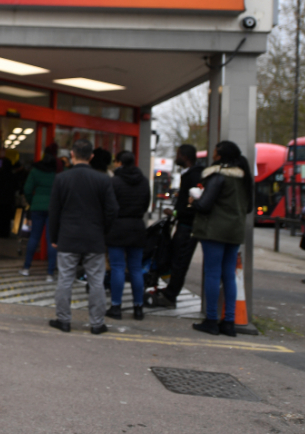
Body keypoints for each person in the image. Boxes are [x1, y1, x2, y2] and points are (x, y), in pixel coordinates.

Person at [47, 139, 119, 335]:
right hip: (94, 238)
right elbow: (112, 210)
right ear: (92, 156)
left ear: (72, 154)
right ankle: (97, 324)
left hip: (68, 237)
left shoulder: (62, 178)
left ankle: (63, 320)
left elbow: (54, 211)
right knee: (96, 282)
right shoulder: (103, 180)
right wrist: (103, 231)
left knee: (65, 280)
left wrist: (54, 236)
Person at [189, 140, 253, 337]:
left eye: (215, 151)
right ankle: (229, 322)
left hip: (214, 232)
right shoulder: (244, 178)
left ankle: (211, 320)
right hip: (234, 232)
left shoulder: (217, 176)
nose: (213, 154)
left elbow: (205, 205)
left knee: (212, 274)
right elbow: (248, 207)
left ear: (220, 155)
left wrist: (194, 201)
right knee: (229, 276)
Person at [150, 144, 204, 308]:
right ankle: (169, 290)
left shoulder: (194, 176)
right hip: (183, 224)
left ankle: (171, 295)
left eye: (178, 154)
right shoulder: (189, 174)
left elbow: (191, 206)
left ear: (185, 156)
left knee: (180, 261)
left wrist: (175, 214)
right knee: (174, 258)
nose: (176, 157)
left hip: (188, 226)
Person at [105, 151, 150, 321]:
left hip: (117, 227)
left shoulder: (114, 182)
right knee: (136, 268)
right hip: (137, 227)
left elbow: (109, 206)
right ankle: (138, 308)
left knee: (117, 267)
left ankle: (116, 307)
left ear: (119, 163)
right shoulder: (144, 181)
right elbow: (146, 204)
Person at [20, 148, 58, 281]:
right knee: (51, 240)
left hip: (37, 208)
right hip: (53, 208)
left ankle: (26, 268)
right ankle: (50, 273)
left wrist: (32, 202)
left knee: (34, 237)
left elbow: (27, 189)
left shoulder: (35, 171)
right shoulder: (57, 173)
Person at [0, 157, 17, 238]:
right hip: (8, 201)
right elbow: (16, 187)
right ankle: (5, 234)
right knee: (6, 219)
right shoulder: (12, 176)